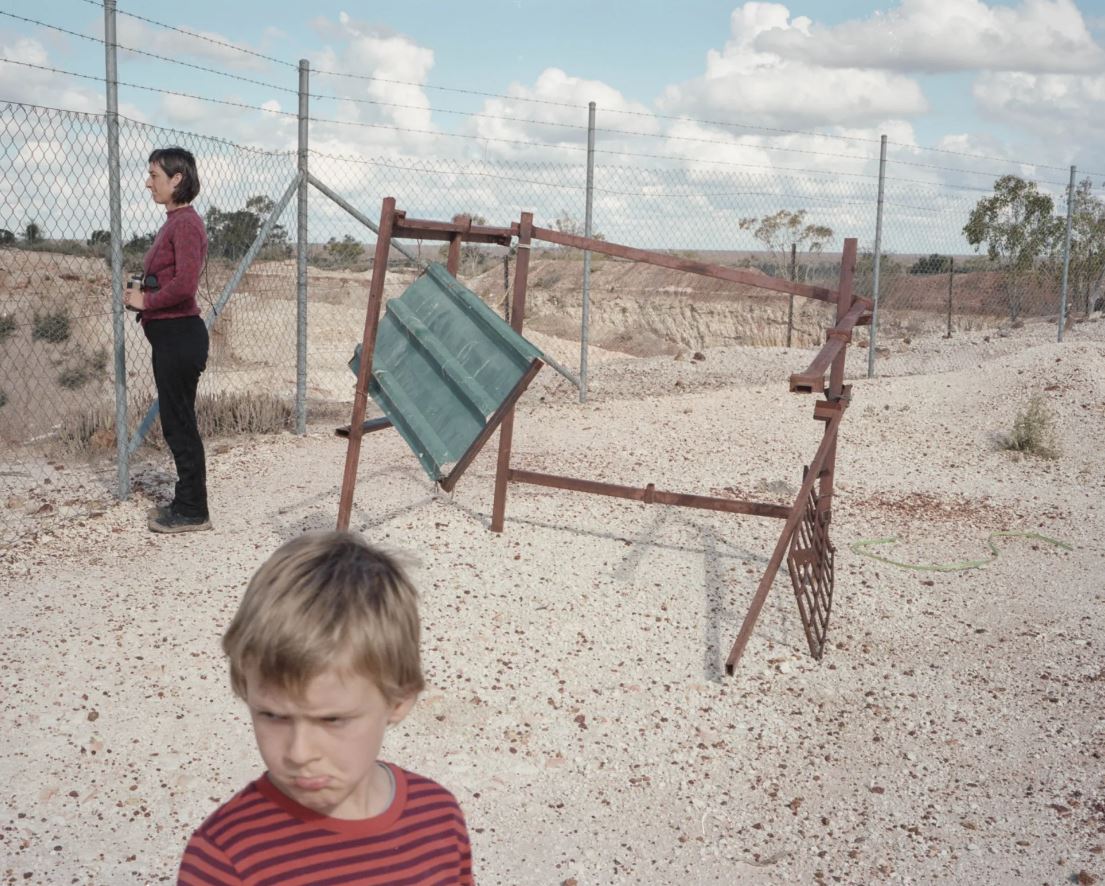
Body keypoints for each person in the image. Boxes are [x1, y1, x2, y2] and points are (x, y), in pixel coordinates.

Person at [176, 531, 474, 885]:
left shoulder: (438, 818)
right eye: (272, 715)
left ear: (399, 700)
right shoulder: (226, 859)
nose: (299, 753)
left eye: (332, 719)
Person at [124, 146, 211, 533]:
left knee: (179, 424)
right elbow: (170, 278)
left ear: (178, 179)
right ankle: (187, 502)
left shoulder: (186, 224)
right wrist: (144, 295)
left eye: (155, 175)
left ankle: (192, 510)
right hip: (171, 335)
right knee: (178, 421)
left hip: (179, 335)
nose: (148, 182)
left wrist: (148, 299)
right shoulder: (175, 221)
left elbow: (185, 285)